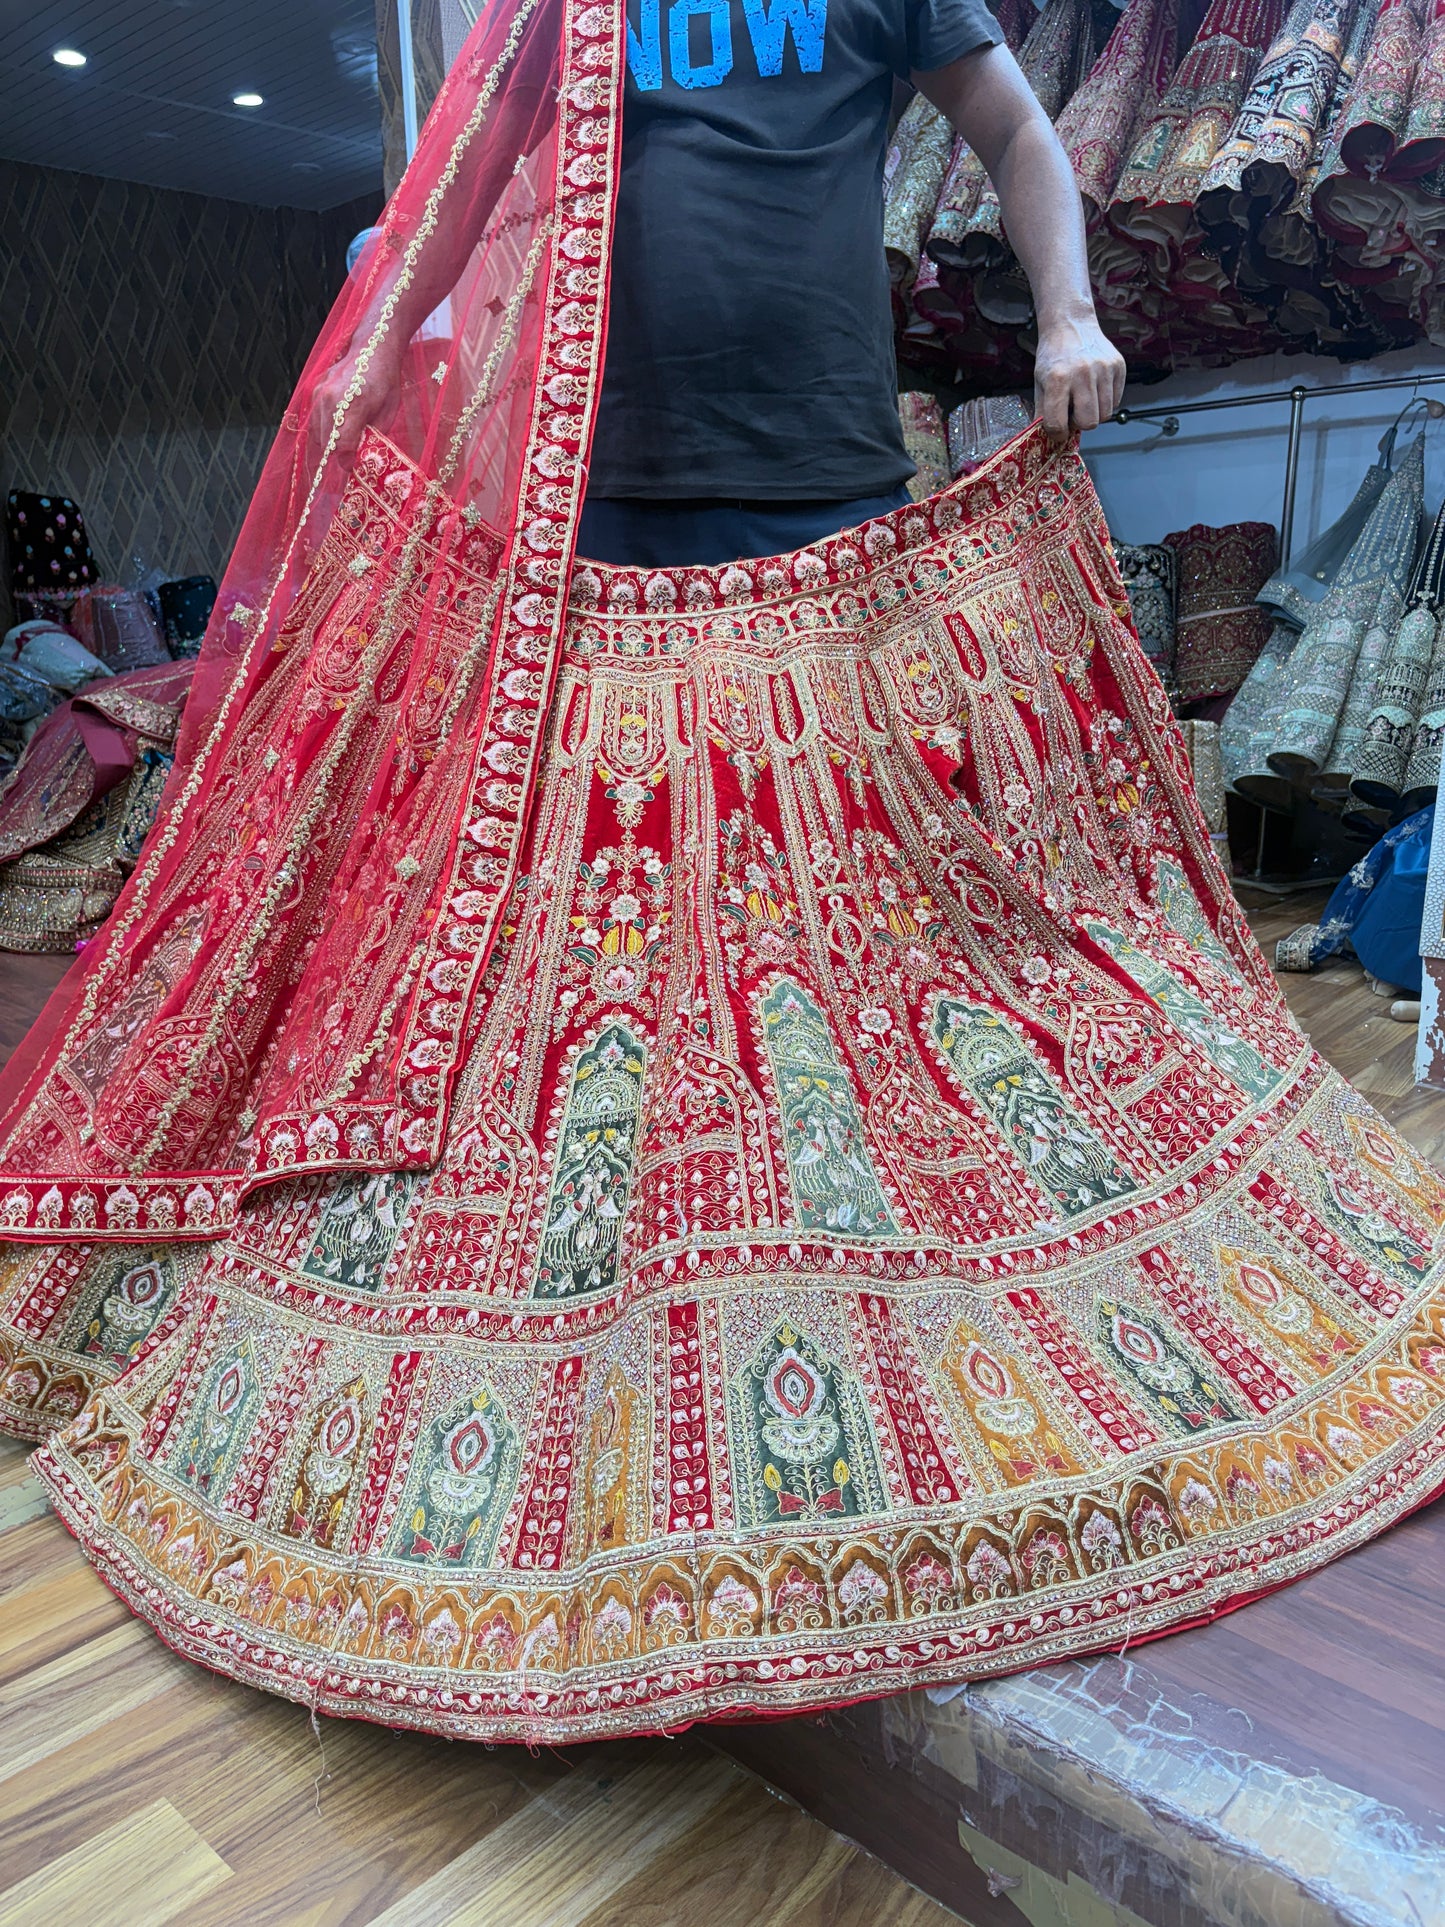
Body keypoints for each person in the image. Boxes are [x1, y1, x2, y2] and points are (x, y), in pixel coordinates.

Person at [0, 0, 1440, 1751]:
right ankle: (640, 1242)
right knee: (604, 932)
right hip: (590, 512)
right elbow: (454, 210)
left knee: (864, 905)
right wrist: (369, 385)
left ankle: (852, 1236)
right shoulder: (559, 5)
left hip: (825, 492)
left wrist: (1069, 312)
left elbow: (1011, 129)